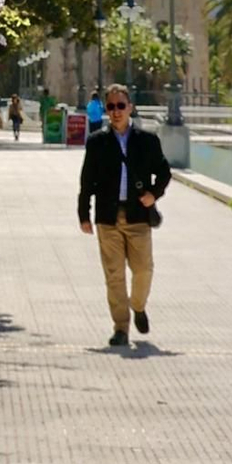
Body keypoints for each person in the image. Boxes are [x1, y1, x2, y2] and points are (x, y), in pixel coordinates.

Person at [77, 84, 172, 347]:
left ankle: (138, 305)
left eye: (121, 106)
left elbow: (164, 172)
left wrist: (154, 194)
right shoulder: (97, 142)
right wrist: (84, 214)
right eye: (111, 107)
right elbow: (87, 181)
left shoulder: (147, 141)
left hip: (138, 217)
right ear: (106, 110)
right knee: (114, 276)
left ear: (130, 108)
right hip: (107, 217)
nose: (116, 111)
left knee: (143, 270)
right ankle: (121, 327)